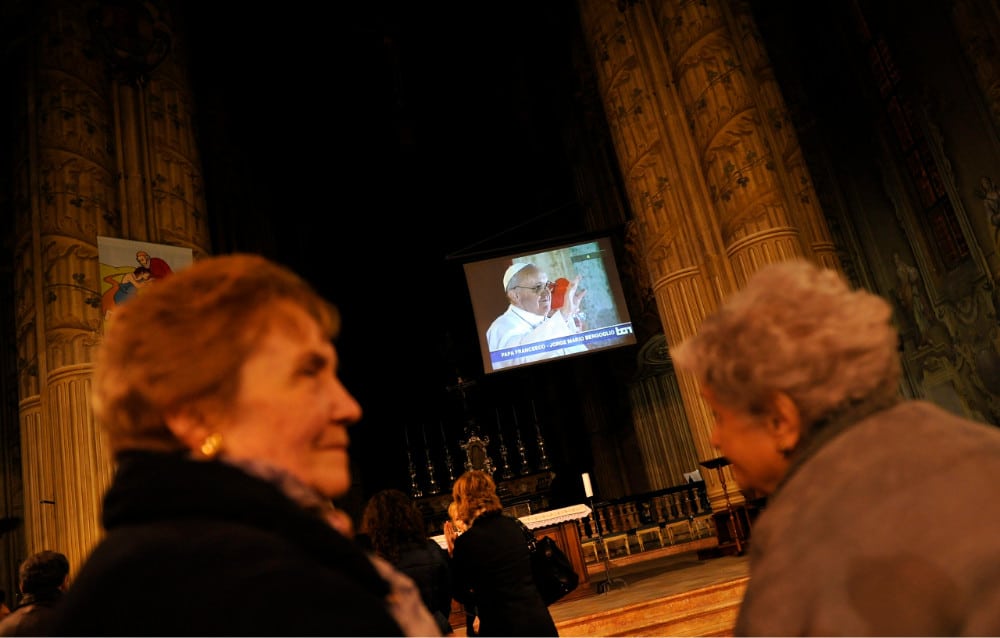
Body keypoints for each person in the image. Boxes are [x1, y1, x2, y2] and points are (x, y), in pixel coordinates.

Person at [46, 253, 440, 637]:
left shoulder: (143, 569)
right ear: (194, 414)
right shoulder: (270, 593)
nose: (349, 407)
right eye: (308, 372)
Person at [669, 258, 1000, 636]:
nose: (715, 439)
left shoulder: (802, 543)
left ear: (781, 420)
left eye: (718, 415)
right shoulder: (981, 444)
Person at [444, 470, 558, 637]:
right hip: (537, 620)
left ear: (464, 502)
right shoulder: (512, 526)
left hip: (501, 626)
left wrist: (453, 555)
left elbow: (460, 592)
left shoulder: (467, 542)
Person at [357, 489, 454, 635]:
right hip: (434, 627)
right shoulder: (432, 549)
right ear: (411, 516)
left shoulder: (375, 562)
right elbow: (446, 597)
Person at [485, 262, 588, 370]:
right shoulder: (500, 327)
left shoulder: (551, 318)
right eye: (538, 287)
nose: (547, 293)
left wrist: (570, 320)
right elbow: (521, 358)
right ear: (515, 295)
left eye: (547, 285)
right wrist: (564, 315)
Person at [0, 550, 70, 637]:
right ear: (64, 581)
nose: (6, 611)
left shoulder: (5, 628)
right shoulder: (79, 622)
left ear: (21, 587)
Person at [447, 501, 478, 637]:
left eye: (464, 516)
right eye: (457, 519)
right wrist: (452, 552)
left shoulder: (474, 539)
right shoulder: (460, 542)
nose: (462, 521)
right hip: (471, 608)